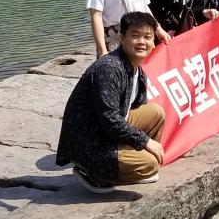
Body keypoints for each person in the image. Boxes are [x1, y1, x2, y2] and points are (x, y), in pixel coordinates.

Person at [56, 11, 166, 192]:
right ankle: (94, 174)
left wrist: (142, 142)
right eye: (135, 36)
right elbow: (110, 120)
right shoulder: (109, 69)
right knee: (150, 165)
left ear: (154, 41)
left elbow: (134, 107)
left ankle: (126, 157)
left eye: (148, 37)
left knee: (156, 113)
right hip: (90, 141)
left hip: (106, 132)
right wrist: (145, 141)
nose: (142, 42)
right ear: (122, 38)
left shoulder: (136, 69)